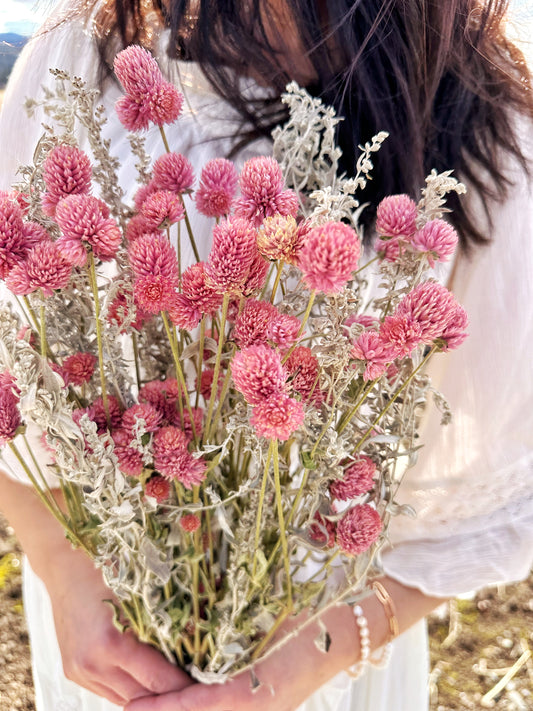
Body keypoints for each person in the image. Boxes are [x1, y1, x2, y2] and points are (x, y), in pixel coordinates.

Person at [0, 1, 532, 710]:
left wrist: (279, 679)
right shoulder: (89, 44)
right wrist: (65, 565)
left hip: (309, 659)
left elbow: (482, 505)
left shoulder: (485, 116)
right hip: (105, 642)